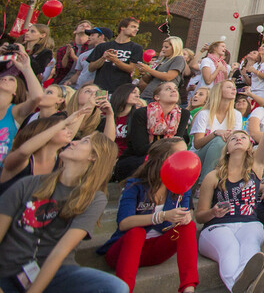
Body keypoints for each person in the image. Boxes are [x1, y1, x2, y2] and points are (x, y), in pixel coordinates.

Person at [0, 132, 126, 293]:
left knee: (115, 287)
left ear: (94, 156)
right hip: (7, 269)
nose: (73, 142)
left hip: (56, 272)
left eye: (84, 141)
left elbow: (60, 251)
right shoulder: (28, 184)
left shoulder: (94, 199)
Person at [193, 92, 264, 293]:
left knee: (252, 251)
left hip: (249, 223)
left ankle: (241, 288)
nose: (239, 139)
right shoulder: (213, 177)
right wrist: (213, 212)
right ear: (227, 148)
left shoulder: (255, 169)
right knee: (230, 249)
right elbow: (199, 216)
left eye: (243, 137)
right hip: (217, 226)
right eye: (234, 138)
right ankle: (240, 287)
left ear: (251, 146)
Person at [101, 137, 198, 293]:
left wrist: (186, 217)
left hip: (156, 250)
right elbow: (124, 223)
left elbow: (184, 215)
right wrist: (161, 216)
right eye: (181, 154)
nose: (186, 158)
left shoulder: (181, 185)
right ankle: (123, 289)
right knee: (136, 232)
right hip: (125, 250)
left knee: (188, 226)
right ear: (165, 159)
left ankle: (188, 289)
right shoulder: (135, 185)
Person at [115, 82, 191, 181]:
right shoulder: (142, 113)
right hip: (139, 158)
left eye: (175, 89)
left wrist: (166, 146)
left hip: (168, 159)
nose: (173, 90)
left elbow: (177, 143)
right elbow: (140, 149)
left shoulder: (183, 114)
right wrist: (167, 144)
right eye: (168, 89)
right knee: (157, 163)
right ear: (157, 97)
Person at [0, 112, 81, 195]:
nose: (69, 131)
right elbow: (23, 151)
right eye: (63, 128)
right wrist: (63, 123)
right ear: (43, 132)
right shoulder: (22, 160)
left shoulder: (61, 162)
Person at [0, 46, 46, 161]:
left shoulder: (15, 111)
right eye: (3, 78)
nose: (6, 79)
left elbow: (37, 96)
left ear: (16, 91)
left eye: (11, 80)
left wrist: (26, 68)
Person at [136, 37, 186, 102]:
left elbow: (169, 77)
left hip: (162, 97)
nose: (163, 49)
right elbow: (149, 80)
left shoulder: (178, 59)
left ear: (175, 47)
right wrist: (144, 73)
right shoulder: (161, 59)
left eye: (166, 47)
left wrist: (149, 70)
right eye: (163, 47)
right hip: (148, 94)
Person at [50, 20, 92, 86]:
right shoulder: (64, 49)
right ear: (75, 31)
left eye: (87, 26)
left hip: (81, 84)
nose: (84, 27)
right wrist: (66, 55)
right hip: (62, 82)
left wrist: (73, 57)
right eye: (81, 26)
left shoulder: (92, 49)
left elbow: (87, 68)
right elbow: (60, 69)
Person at [108, 83, 143, 158]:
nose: (137, 96)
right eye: (133, 92)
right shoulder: (106, 114)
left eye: (139, 93)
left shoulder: (137, 117)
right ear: (122, 93)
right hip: (106, 155)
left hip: (126, 158)